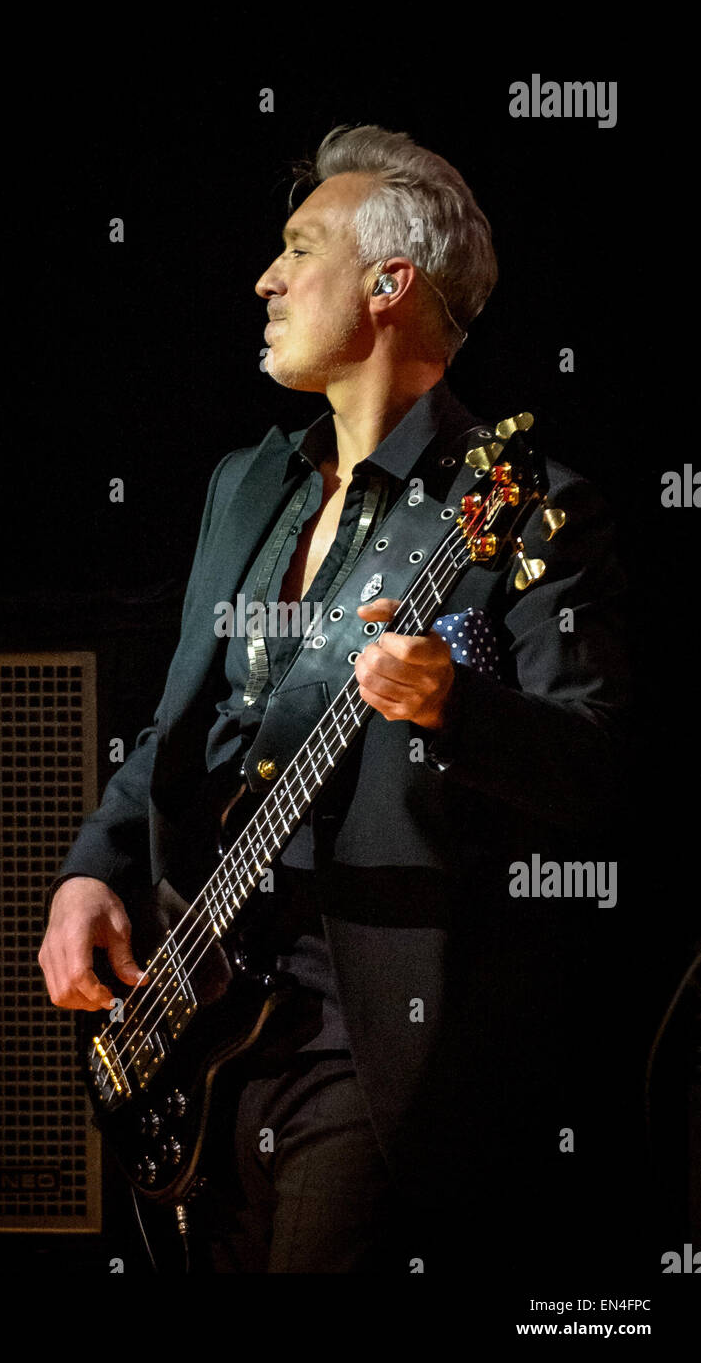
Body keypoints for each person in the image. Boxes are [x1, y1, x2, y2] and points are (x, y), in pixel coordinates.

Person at [38, 124, 630, 1275]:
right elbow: (174, 727)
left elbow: (601, 770)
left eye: (296, 248)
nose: (264, 278)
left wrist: (454, 705)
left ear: (387, 283)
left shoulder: (523, 508)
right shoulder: (245, 482)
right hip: (197, 1018)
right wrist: (90, 869)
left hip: (371, 1043)